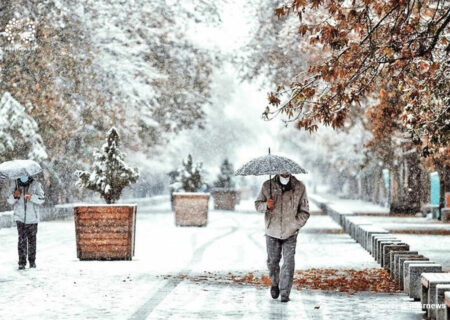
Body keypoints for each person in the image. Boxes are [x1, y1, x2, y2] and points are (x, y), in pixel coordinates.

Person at [255, 173, 310, 302]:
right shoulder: (267, 185)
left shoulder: (300, 187)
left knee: (289, 263)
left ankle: (285, 292)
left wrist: (295, 224)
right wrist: (266, 206)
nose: (284, 172)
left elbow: (305, 211)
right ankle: (275, 283)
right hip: (272, 231)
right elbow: (257, 205)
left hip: (290, 232)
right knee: (273, 261)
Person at [7, 175, 45, 270]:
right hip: (19, 218)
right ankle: (22, 262)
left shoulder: (36, 185)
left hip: (32, 218)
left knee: (32, 241)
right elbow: (9, 200)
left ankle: (32, 262)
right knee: (21, 241)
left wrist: (32, 197)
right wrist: (15, 196)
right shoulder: (15, 185)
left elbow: (42, 199)